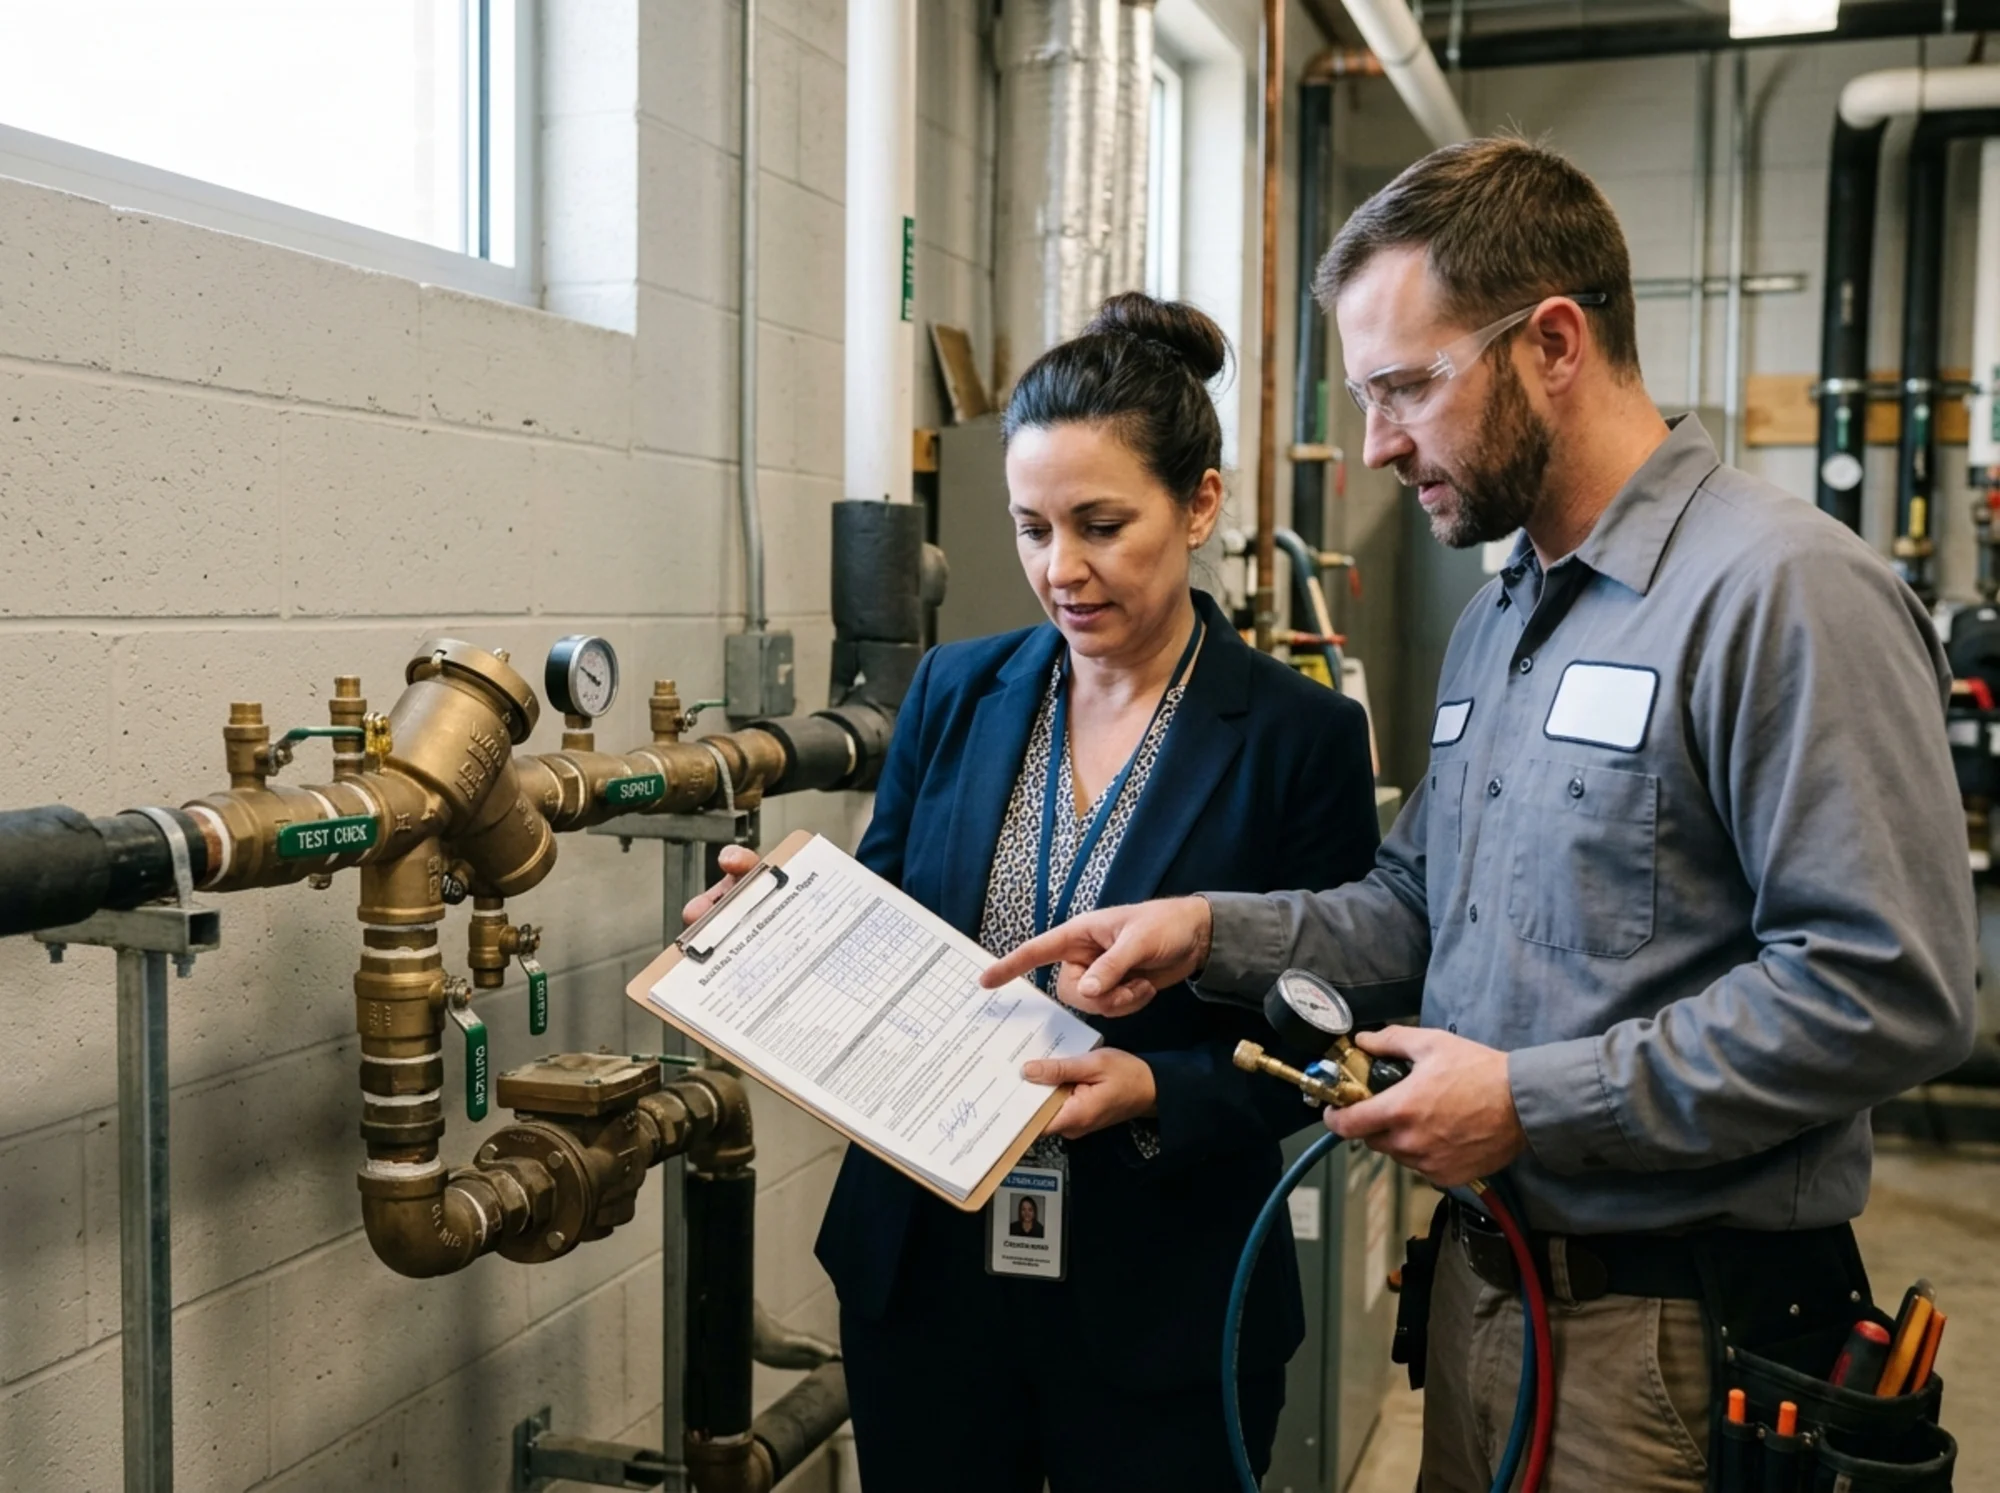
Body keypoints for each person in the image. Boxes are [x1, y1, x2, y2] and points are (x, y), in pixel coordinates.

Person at [985, 139, 1978, 1491]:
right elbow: (1414, 906)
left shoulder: (1781, 591)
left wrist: (1527, 1101)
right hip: (1477, 1293)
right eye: (1367, 395)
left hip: (1665, 1340)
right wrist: (1208, 931)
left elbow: (1887, 988)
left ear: (1553, 343)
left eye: (1406, 386)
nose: (1378, 443)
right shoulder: (1502, 619)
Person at [686, 292, 1380, 1492]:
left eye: (1101, 525)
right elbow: (890, 917)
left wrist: (1157, 1088)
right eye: (1030, 527)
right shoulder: (956, 690)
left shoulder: (1295, 736)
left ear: (1198, 504)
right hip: (929, 1273)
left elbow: (1331, 1026)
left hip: (1161, 1290)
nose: (1061, 569)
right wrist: (779, 926)